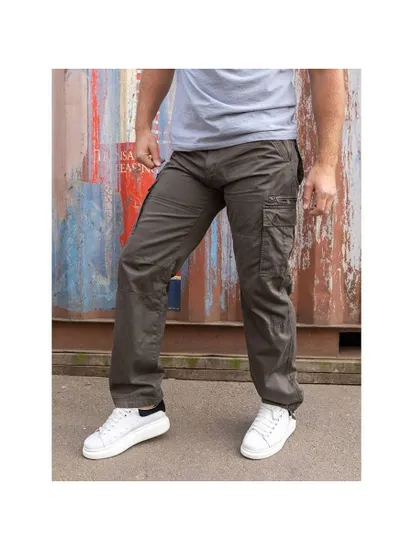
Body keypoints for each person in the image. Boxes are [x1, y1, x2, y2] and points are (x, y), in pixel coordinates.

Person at [83, 69, 345, 461]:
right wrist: (143, 126)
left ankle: (279, 403)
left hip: (262, 146)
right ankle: (140, 405)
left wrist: (326, 163)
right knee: (141, 264)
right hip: (192, 154)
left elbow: (326, 70)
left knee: (263, 279)